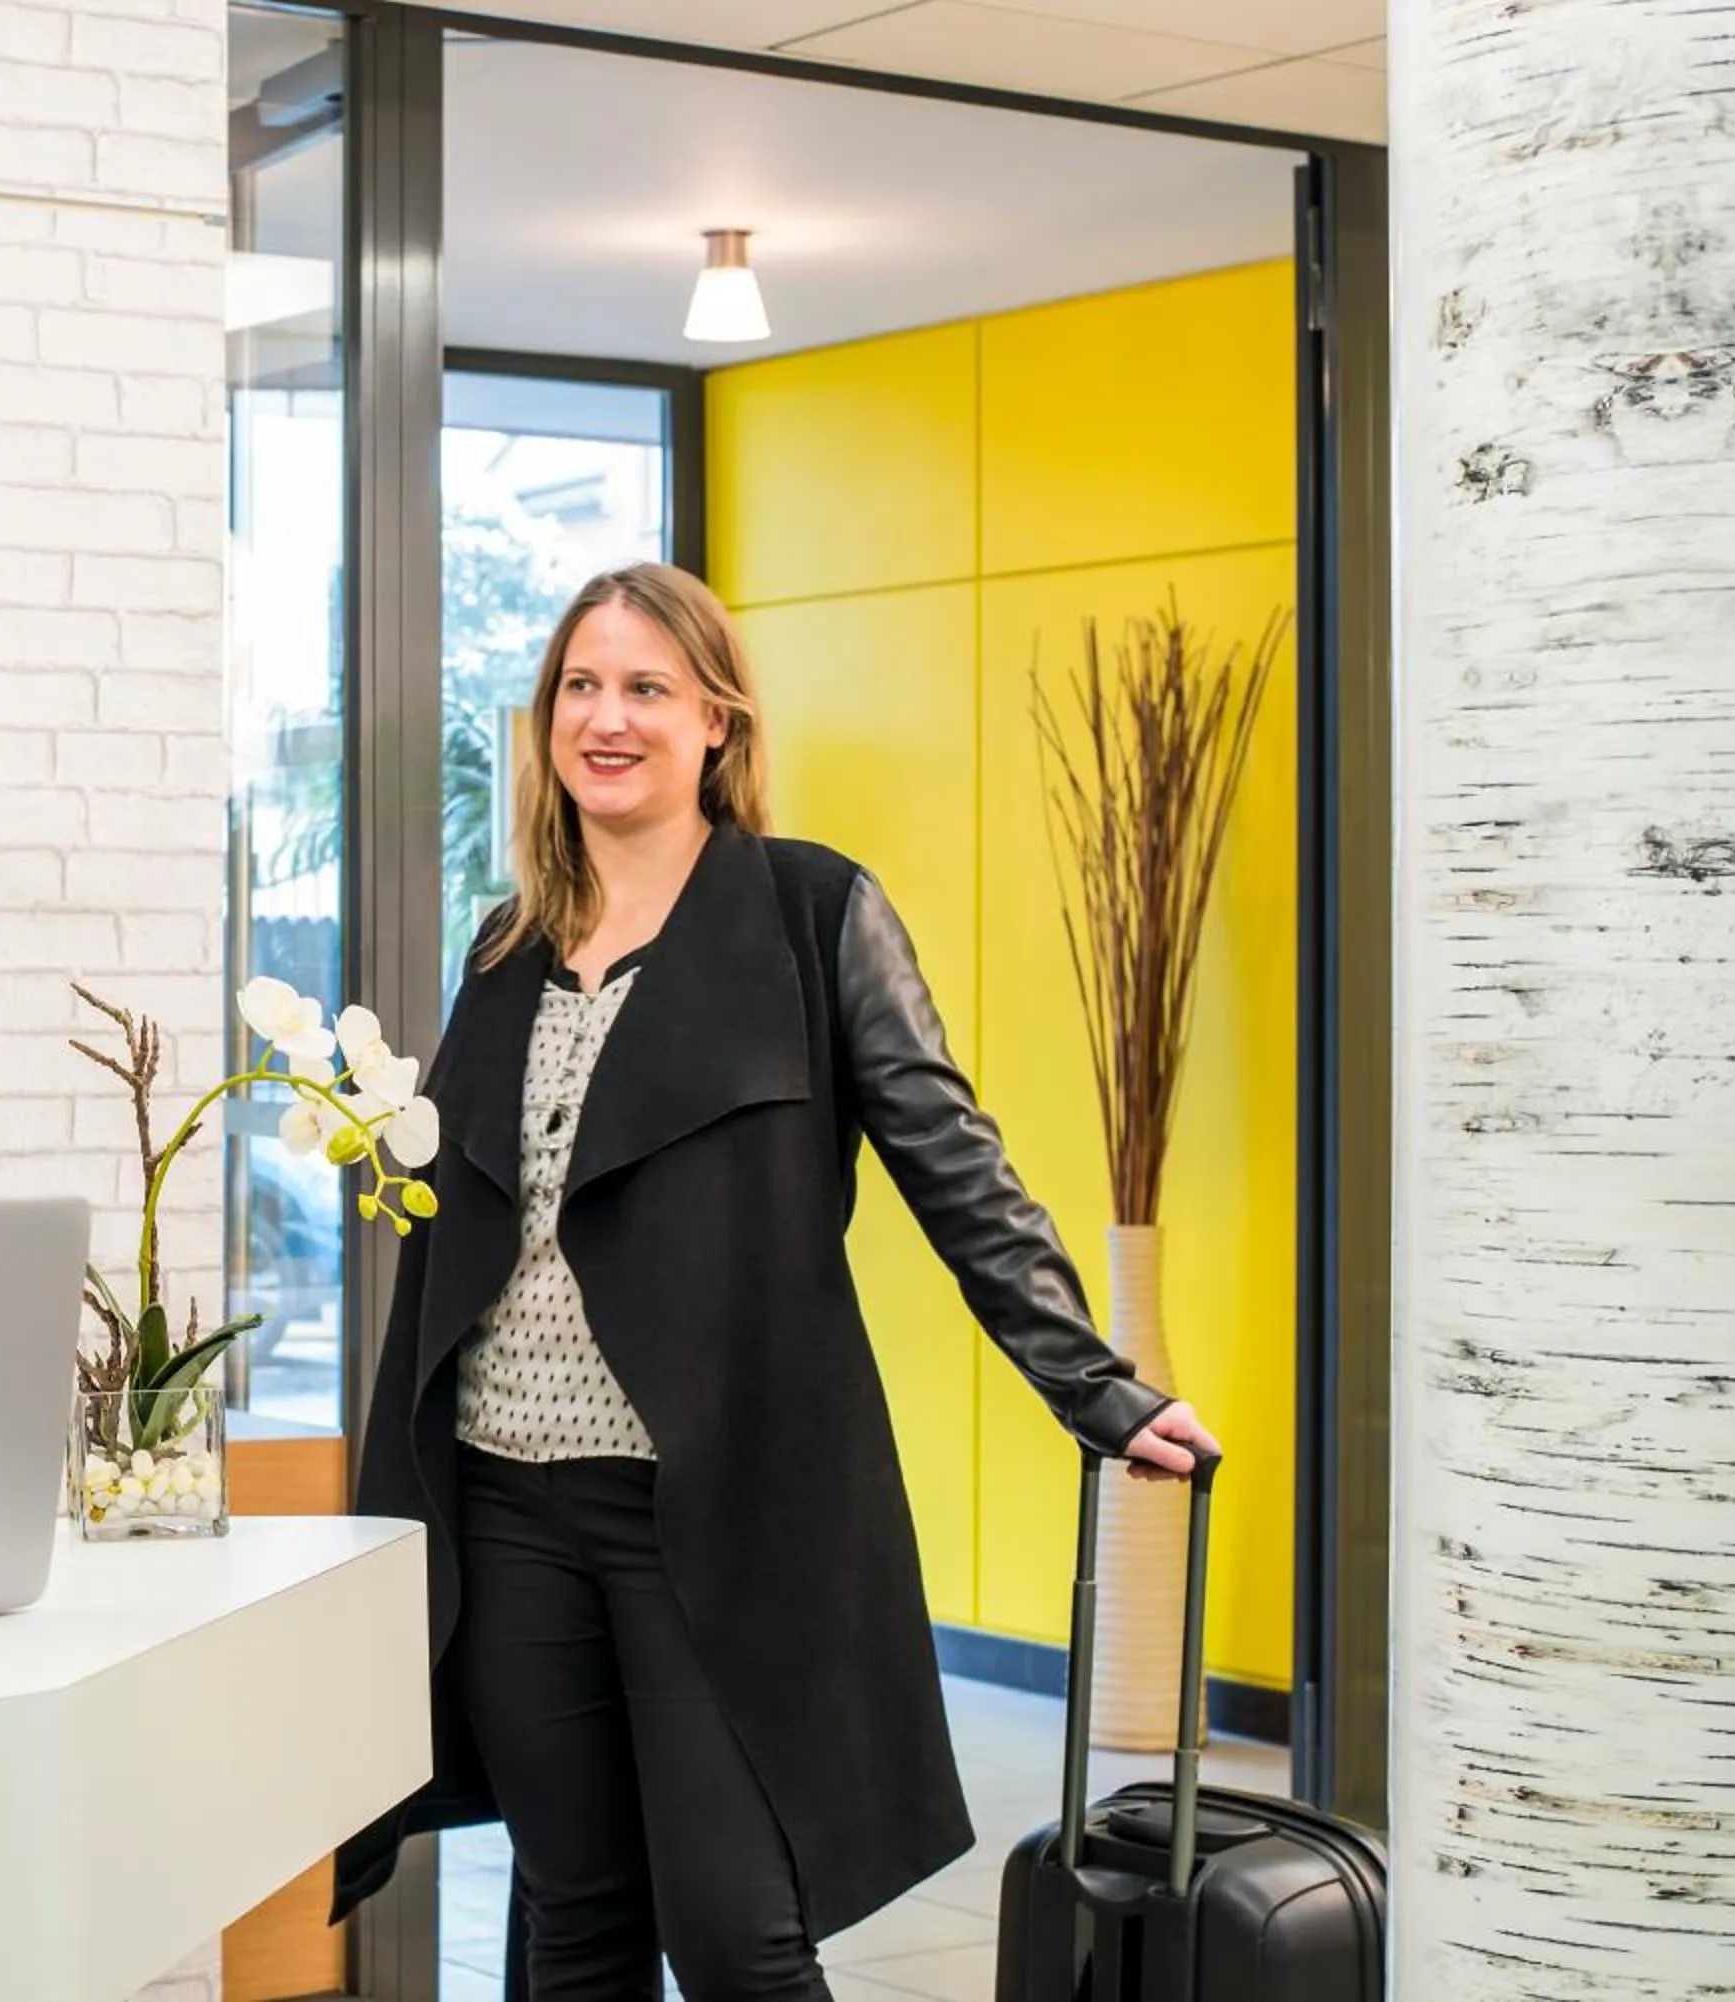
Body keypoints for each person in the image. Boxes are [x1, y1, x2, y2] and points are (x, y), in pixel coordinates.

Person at [331, 564, 1221, 2000]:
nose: (605, 718)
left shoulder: (811, 917)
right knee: (573, 1921)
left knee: (741, 1937)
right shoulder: (506, 949)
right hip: (506, 1512)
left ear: (719, 726)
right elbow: (457, 1230)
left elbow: (959, 1171)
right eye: (579, 685)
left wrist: (1097, 1385)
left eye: (646, 689)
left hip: (713, 1515)